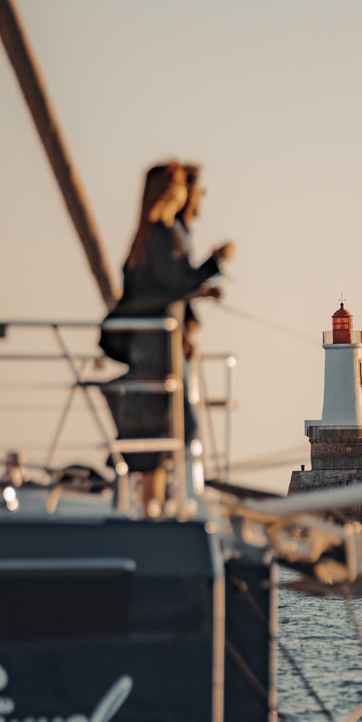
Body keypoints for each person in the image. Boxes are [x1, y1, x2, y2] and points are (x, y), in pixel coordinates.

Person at [100, 160, 233, 515]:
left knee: (157, 426)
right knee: (176, 424)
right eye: (177, 185)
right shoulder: (162, 234)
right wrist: (213, 264)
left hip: (148, 344)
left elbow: (162, 285)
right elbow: (176, 281)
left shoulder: (146, 236)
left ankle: (151, 507)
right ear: (166, 190)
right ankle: (173, 506)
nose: (186, 192)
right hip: (158, 345)